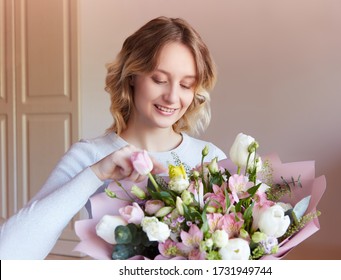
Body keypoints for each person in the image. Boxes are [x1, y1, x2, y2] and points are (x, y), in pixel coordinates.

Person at [0, 16, 226, 259]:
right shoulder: (90, 155)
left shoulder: (211, 159)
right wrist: (96, 174)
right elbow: (9, 253)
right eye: (159, 80)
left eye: (186, 84)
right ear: (132, 76)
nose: (172, 97)